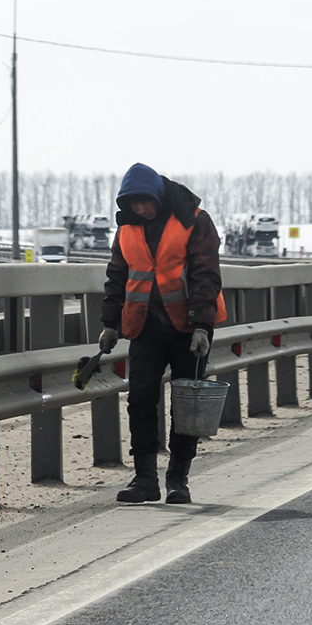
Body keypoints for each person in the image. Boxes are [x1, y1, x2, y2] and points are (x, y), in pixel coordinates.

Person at [99, 163, 225, 504]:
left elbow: (206, 274)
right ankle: (144, 479)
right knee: (140, 401)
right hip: (145, 328)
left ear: (158, 195)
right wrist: (110, 323)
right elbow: (117, 276)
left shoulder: (194, 220)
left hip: (189, 330)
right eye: (134, 204)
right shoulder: (127, 229)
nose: (141, 209)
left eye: (145, 202)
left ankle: (178, 480)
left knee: (187, 406)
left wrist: (202, 326)